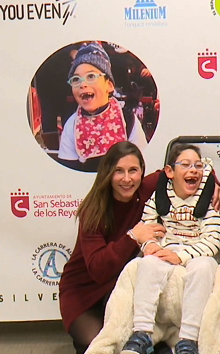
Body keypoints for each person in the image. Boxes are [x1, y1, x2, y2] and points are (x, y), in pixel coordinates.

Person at [59, 142, 166, 354]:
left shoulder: (145, 189)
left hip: (119, 289)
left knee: (140, 343)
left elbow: (184, 168)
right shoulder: (93, 210)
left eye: (133, 170)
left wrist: (214, 186)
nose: (127, 179)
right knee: (101, 344)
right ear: (108, 173)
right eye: (119, 171)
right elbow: (98, 269)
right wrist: (133, 237)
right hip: (83, 293)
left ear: (141, 171)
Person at [121, 144, 220, 354]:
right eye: (185, 165)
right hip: (166, 249)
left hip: (195, 251)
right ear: (169, 172)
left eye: (197, 166)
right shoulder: (159, 199)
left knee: (205, 266)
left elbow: (212, 241)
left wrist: (180, 256)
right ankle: (142, 332)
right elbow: (145, 229)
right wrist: (151, 247)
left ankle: (188, 339)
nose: (193, 170)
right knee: (146, 262)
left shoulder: (207, 202)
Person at [58, 42, 147, 172]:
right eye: (76, 79)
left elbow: (143, 164)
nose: (83, 84)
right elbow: (68, 171)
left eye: (91, 76)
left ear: (109, 85)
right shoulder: (72, 125)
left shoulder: (128, 120)